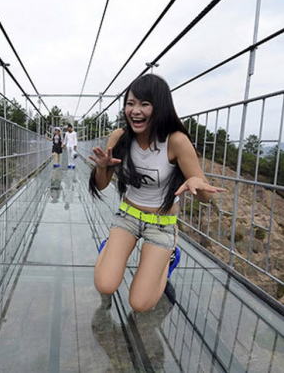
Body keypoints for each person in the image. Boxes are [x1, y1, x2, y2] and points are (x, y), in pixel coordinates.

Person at [88, 74, 224, 312]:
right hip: (127, 217)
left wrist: (195, 181)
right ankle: (110, 248)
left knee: (140, 304)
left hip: (162, 224)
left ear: (159, 107)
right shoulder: (120, 137)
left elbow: (205, 197)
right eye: (130, 104)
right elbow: (101, 185)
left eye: (144, 104)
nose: (135, 111)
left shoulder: (176, 141)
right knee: (105, 285)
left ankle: (169, 258)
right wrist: (102, 168)